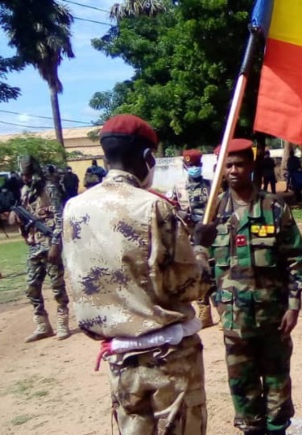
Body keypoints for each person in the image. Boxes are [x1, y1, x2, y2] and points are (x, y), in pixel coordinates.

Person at [63, 114, 213, 434]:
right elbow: (190, 286)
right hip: (169, 359)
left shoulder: (74, 209)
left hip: (120, 359)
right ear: (148, 158)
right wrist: (201, 249)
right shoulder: (154, 207)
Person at [208, 138, 302, 435]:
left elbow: (296, 260)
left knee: (277, 383)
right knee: (242, 386)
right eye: (228, 165)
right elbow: (202, 265)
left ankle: (277, 430)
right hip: (233, 320)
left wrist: (293, 306)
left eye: (239, 164)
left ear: (251, 166)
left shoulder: (273, 207)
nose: (233, 170)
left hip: (272, 317)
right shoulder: (211, 213)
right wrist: (214, 300)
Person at [11, 155, 69, 342]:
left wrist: (55, 244)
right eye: (23, 175)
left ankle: (62, 323)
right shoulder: (25, 191)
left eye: (28, 174)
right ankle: (43, 325)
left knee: (57, 287)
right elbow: (25, 213)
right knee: (31, 287)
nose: (25, 178)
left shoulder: (50, 188)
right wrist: (16, 217)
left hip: (50, 243)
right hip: (34, 244)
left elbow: (60, 218)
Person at [167, 149, 214, 327]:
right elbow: (171, 206)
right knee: (196, 271)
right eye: (191, 166)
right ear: (185, 167)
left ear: (201, 166)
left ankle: (223, 311)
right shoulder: (177, 187)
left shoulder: (210, 184)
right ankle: (204, 312)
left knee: (215, 270)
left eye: (196, 165)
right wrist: (181, 213)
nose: (194, 168)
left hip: (211, 234)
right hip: (190, 236)